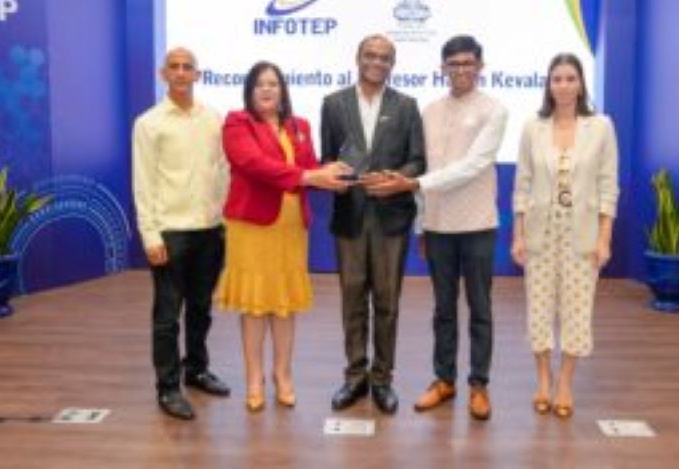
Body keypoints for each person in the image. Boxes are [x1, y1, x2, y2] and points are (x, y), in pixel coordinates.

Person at [366, 35, 508, 420]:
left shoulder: (494, 110)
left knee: (480, 308)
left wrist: (414, 184)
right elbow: (425, 168)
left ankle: (479, 385)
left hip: (478, 224)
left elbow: (474, 166)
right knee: (443, 309)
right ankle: (444, 380)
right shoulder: (428, 112)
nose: (461, 70)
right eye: (453, 63)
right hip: (438, 227)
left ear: (480, 66)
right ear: (442, 68)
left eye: (468, 63)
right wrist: (422, 226)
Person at [217, 61, 349, 413]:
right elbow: (254, 165)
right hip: (251, 226)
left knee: (284, 304)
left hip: (290, 227)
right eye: (259, 83)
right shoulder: (237, 123)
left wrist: (331, 175)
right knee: (255, 305)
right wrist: (310, 177)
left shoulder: (298, 125)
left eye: (273, 83)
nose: (266, 89)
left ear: (282, 90)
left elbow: (309, 169)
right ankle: (254, 378)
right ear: (249, 90)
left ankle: (283, 375)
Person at [320, 34, 426, 414]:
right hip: (349, 215)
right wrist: (335, 176)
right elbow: (327, 158)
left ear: (392, 64)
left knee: (387, 301)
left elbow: (418, 161)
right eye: (371, 55)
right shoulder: (333, 104)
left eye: (385, 57)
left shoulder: (407, 106)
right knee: (352, 300)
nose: (377, 62)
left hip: (391, 217)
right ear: (358, 58)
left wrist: (396, 179)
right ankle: (355, 377)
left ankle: (382, 379)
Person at [511, 53, 619, 419]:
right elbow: (522, 185)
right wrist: (518, 235)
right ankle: (543, 380)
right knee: (539, 310)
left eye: (570, 78)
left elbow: (608, 186)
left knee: (577, 311)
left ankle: (566, 383)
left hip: (582, 234)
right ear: (548, 84)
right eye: (557, 78)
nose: (563, 85)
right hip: (541, 234)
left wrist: (604, 238)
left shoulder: (601, 127)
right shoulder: (533, 127)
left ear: (581, 83)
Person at [132, 47, 231, 420]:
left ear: (197, 75)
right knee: (167, 315)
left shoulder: (213, 119)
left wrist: (225, 220)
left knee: (202, 308)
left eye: (187, 67)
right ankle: (168, 387)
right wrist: (150, 235)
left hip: (210, 230)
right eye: (173, 66)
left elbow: (222, 171)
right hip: (170, 232)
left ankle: (197, 370)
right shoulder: (149, 123)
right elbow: (143, 182)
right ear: (163, 74)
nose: (180, 72)